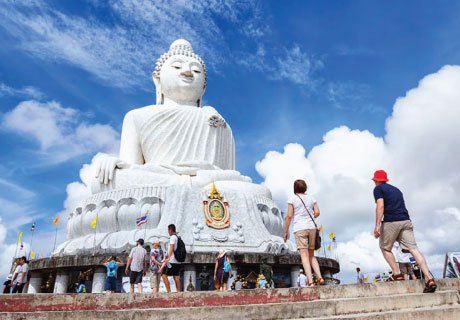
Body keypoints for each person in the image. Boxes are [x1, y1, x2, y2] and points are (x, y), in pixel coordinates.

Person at [372, 170, 437, 293]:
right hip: (406, 220)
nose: (374, 182)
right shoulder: (397, 190)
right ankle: (429, 279)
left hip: (391, 221)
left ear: (377, 180)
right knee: (414, 250)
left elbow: (380, 206)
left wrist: (377, 226)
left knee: (385, 248)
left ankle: (397, 274)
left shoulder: (378, 189)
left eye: (375, 180)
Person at [283, 179, 324, 286]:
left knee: (304, 256)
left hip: (300, 228)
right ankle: (319, 277)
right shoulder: (311, 198)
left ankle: (310, 281)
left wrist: (285, 232)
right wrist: (309, 218)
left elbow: (289, 216)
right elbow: (317, 212)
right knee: (312, 255)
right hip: (311, 228)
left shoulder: (292, 199)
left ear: (295, 189)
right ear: (305, 187)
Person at [160, 224, 182, 292]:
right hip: (177, 261)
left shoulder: (172, 237)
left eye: (168, 230)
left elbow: (171, 247)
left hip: (172, 261)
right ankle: (178, 291)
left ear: (170, 230)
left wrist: (168, 258)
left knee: (163, 274)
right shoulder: (177, 237)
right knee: (176, 276)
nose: (168, 232)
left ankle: (168, 292)